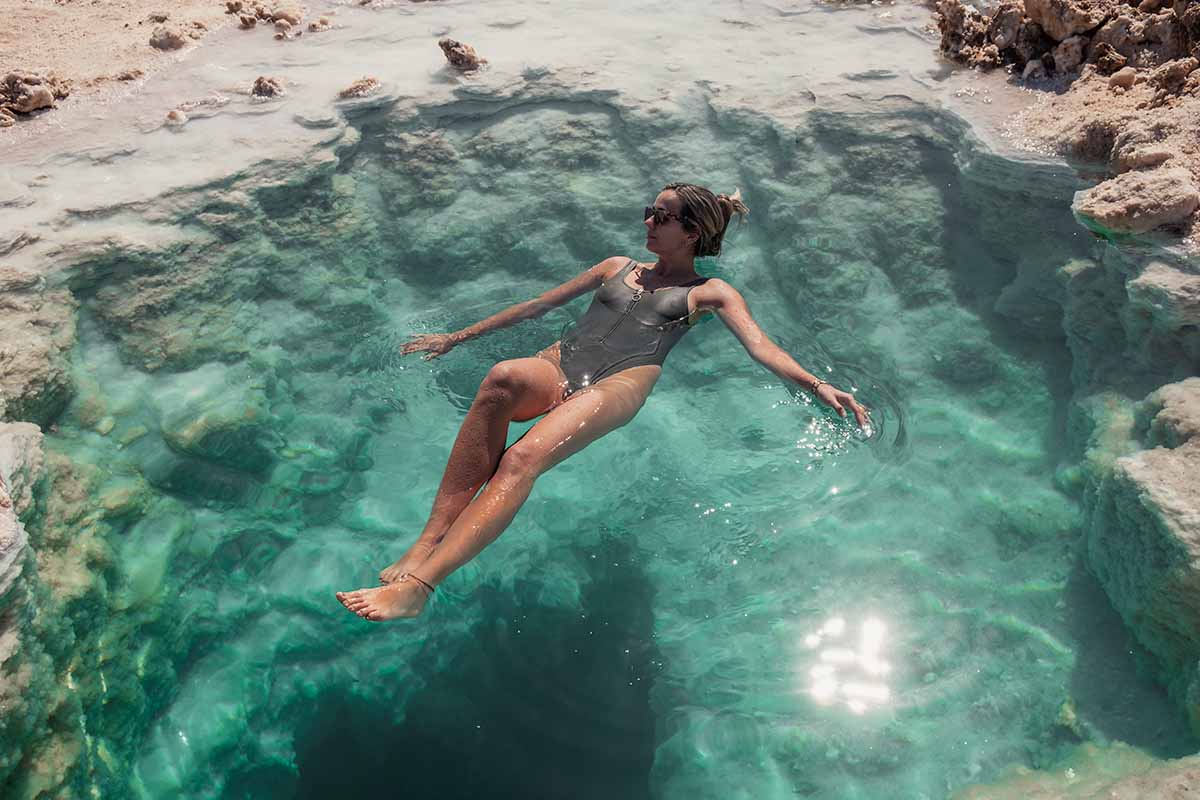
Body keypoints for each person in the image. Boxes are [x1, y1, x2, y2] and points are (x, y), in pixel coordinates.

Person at [336, 183, 870, 621]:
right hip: (560, 362)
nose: (648, 223)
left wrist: (816, 384)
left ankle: (421, 587)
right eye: (649, 213)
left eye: (661, 217)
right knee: (500, 378)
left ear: (691, 232)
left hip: (617, 384)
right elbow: (536, 306)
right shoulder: (615, 265)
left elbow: (760, 347)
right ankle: (426, 541)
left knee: (522, 459)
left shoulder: (709, 293)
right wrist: (456, 337)